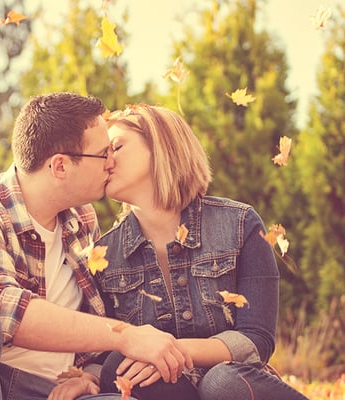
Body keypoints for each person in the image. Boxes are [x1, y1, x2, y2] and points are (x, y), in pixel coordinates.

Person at [0, 93, 193, 400]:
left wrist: (89, 375)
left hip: (44, 391)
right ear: (60, 167)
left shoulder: (82, 221)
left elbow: (88, 329)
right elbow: (1, 307)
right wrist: (127, 335)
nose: (112, 162)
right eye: (103, 153)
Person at [94, 104, 309, 400]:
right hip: (170, 392)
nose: (105, 162)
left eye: (115, 147)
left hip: (237, 388)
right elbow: (101, 352)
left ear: (161, 146)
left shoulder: (239, 223)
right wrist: (86, 379)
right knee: (120, 368)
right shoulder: (104, 254)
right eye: (101, 153)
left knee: (222, 382)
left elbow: (256, 339)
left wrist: (167, 352)